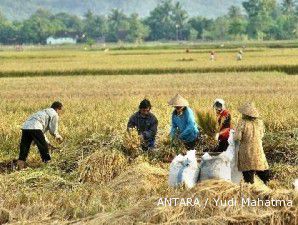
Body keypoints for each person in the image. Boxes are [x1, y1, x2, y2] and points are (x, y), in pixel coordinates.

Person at [17, 101, 64, 169]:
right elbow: (53, 130)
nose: (60, 113)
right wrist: (57, 136)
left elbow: (41, 134)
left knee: (24, 147)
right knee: (43, 148)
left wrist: (48, 143)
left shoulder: (43, 112)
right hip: (35, 127)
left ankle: (20, 167)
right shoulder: (54, 114)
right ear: (58, 109)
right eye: (61, 110)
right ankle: (48, 165)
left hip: (25, 127)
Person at [234, 102, 270, 184]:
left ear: (244, 114)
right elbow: (261, 135)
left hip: (247, 152)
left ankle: (251, 192)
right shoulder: (260, 123)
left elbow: (237, 137)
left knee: (249, 178)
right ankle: (271, 190)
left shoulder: (242, 122)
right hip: (258, 151)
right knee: (264, 173)